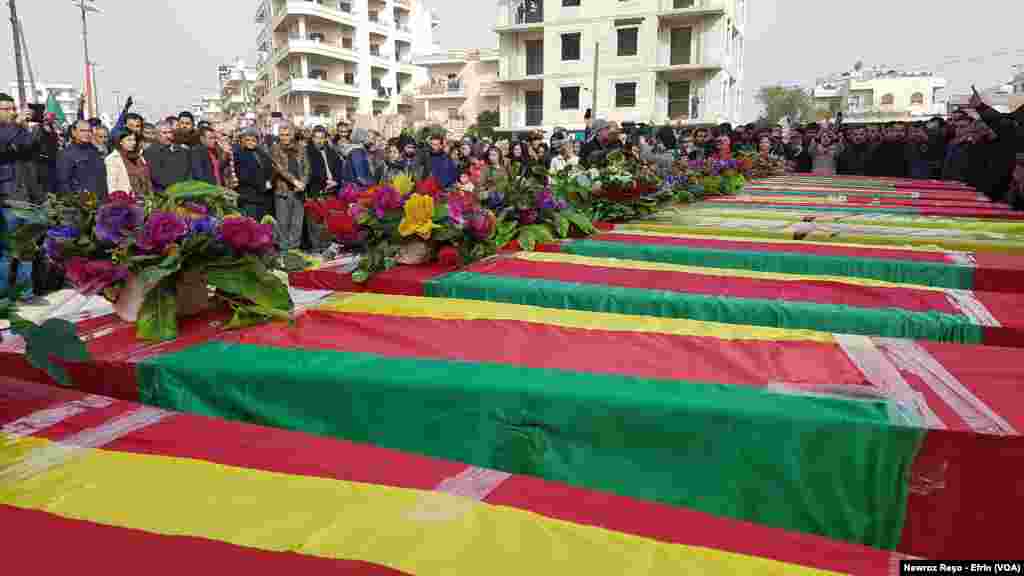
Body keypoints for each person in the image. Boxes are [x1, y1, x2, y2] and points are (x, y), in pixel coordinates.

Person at [270, 124, 308, 252]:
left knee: (297, 225)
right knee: (283, 225)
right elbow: (279, 169)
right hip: (283, 192)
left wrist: (303, 183)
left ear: (293, 134)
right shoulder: (274, 148)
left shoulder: (301, 148)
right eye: (282, 135)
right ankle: (284, 254)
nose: (284, 137)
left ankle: (295, 253)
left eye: (287, 134)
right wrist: (295, 181)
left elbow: (307, 168)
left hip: (299, 191)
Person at [56, 119, 108, 202]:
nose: (86, 134)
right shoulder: (66, 154)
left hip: (101, 200)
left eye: (89, 131)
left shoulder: (95, 151)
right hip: (83, 204)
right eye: (82, 130)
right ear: (73, 132)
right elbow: (64, 183)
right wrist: (76, 202)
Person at [233, 127, 275, 221]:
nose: (250, 142)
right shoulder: (238, 154)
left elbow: (270, 167)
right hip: (249, 197)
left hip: (264, 197)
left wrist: (269, 181)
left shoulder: (261, 152)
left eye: (253, 140)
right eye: (247, 140)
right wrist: (262, 184)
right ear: (242, 140)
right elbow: (243, 175)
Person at [0, 94, 34, 202]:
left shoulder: (15, 128)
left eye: (14, 109)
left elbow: (28, 147)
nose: (13, 113)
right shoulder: (12, 127)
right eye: (7, 109)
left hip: (21, 188)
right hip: (4, 192)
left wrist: (24, 127)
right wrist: (16, 124)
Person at [143, 120, 192, 191]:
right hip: (164, 193)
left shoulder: (182, 150)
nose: (168, 136)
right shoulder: (151, 152)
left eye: (170, 132)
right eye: (164, 133)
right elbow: (156, 176)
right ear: (157, 134)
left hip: (184, 190)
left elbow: (188, 171)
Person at [105, 132, 151, 200]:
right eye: (129, 140)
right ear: (120, 141)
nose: (133, 143)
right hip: (126, 200)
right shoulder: (113, 159)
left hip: (146, 198)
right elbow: (112, 184)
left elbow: (147, 178)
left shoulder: (139, 157)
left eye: (134, 140)